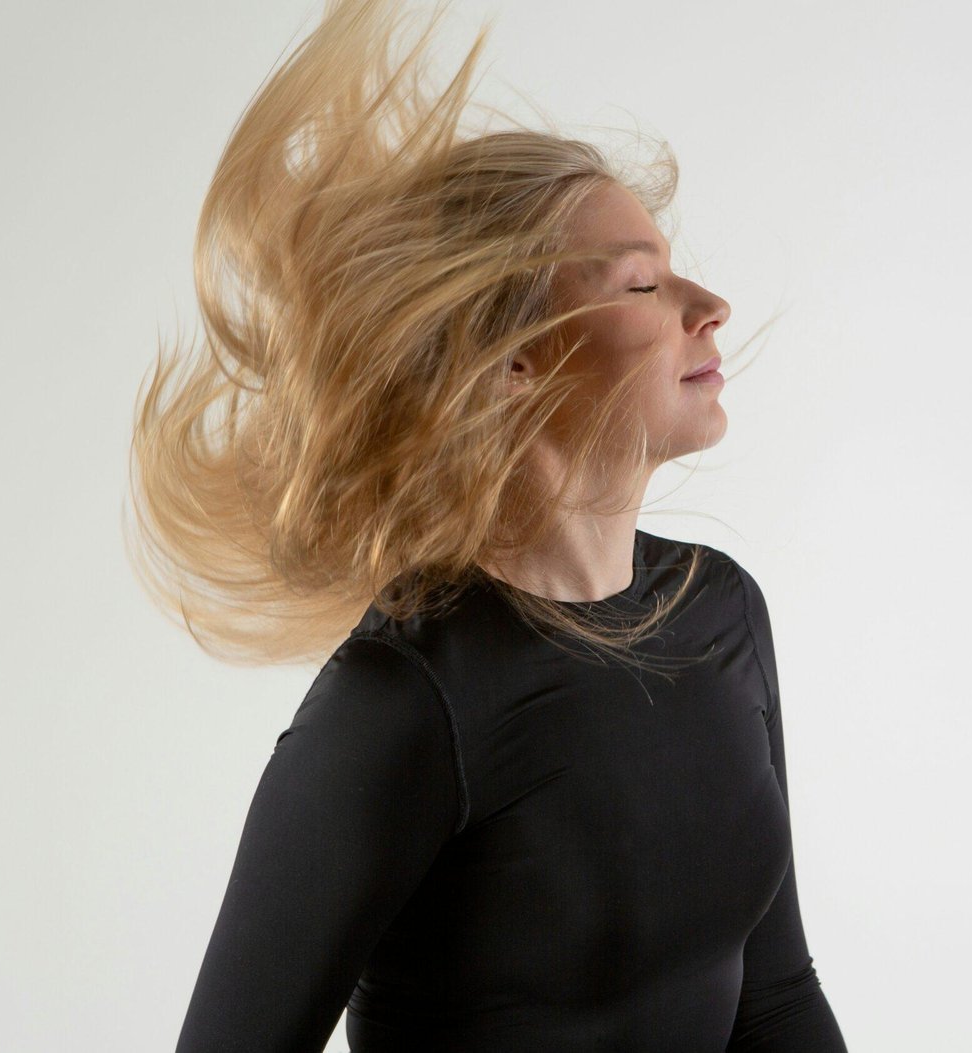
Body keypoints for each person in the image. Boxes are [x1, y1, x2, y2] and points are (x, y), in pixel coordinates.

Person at [129, 1, 847, 1048]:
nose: (708, 304)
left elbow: (775, 998)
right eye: (643, 282)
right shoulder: (405, 704)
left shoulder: (721, 611)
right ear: (510, 361)